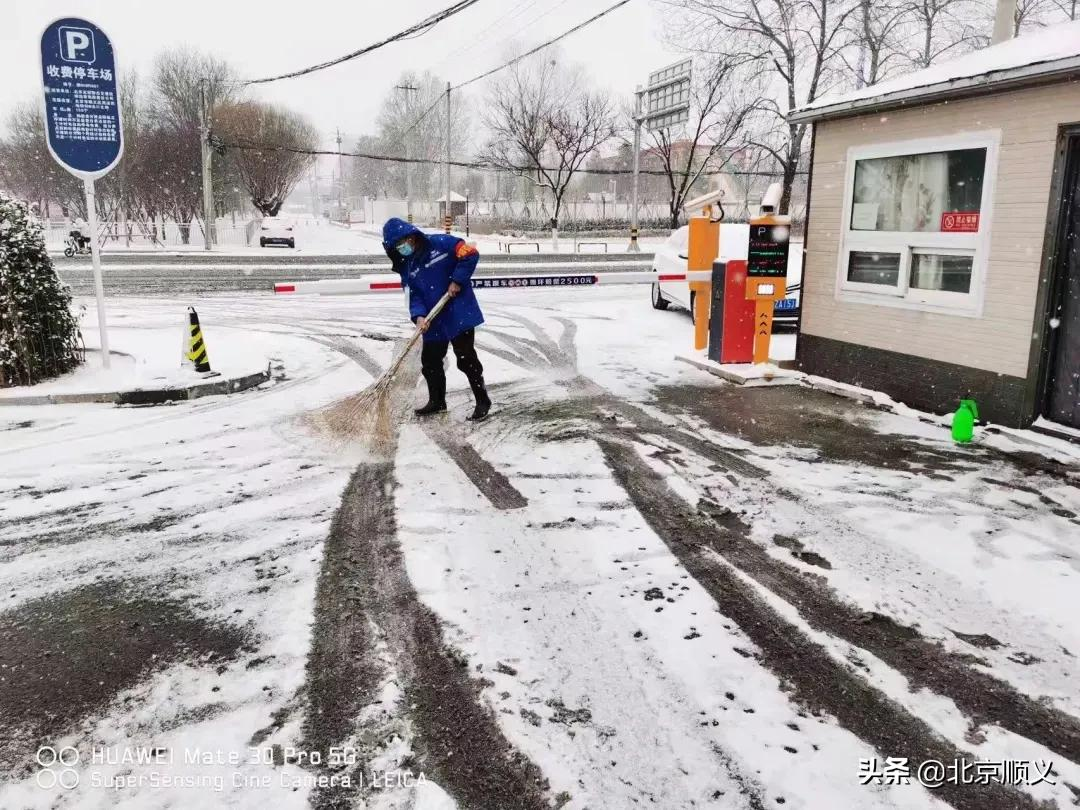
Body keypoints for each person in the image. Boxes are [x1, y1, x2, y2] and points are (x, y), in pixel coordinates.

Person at [382, 217, 491, 421]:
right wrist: (419, 316)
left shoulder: (441, 243)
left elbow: (470, 254)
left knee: (466, 359)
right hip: (434, 319)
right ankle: (437, 402)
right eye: (396, 246)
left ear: (412, 236)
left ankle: (482, 400)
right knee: (430, 361)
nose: (402, 247)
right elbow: (413, 295)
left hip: (458, 311)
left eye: (402, 242)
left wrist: (457, 280)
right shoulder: (407, 265)